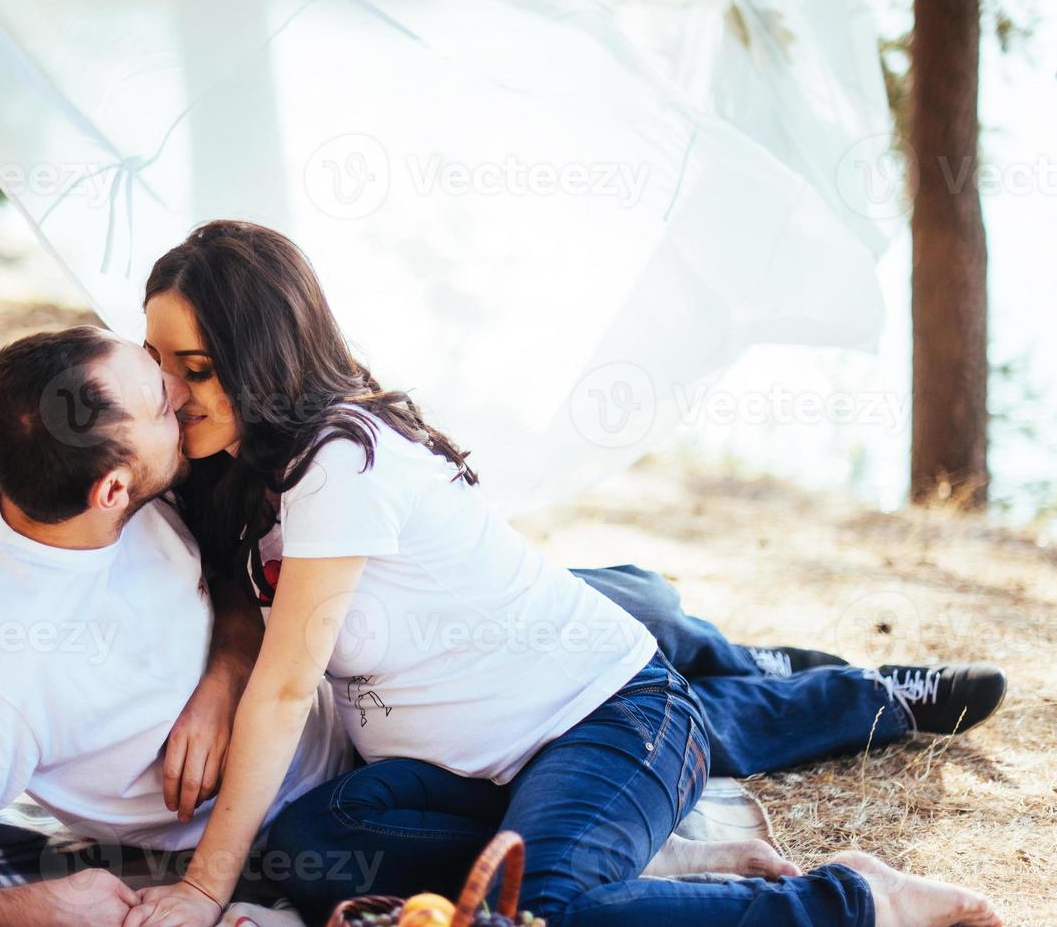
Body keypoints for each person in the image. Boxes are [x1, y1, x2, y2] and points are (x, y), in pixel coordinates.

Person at [125, 221, 1003, 927]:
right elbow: (245, 602)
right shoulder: (245, 467)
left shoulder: (336, 463)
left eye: (193, 368)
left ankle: (851, 898)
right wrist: (218, 673)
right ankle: (623, 857)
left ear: (259, 358)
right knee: (309, 850)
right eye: (155, 360)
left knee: (550, 911)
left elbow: (285, 692)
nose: (166, 388)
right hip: (484, 777)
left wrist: (204, 891)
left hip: (609, 720)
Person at [0, 327, 354, 927]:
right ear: (111, 490)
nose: (182, 392)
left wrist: (228, 669)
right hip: (290, 831)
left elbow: (222, 562)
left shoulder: (55, 463)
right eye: (163, 402)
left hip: (341, 716)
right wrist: (29, 907)